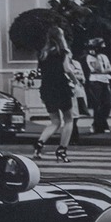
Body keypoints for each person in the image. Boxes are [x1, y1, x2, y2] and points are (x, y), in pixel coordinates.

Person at [33, 26, 75, 162]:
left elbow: (41, 71)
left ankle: (39, 144)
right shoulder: (63, 52)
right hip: (61, 87)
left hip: (46, 88)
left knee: (55, 121)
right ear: (60, 37)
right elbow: (67, 69)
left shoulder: (42, 53)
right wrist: (76, 81)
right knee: (68, 119)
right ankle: (62, 150)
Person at [84, 38, 111, 134]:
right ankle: (99, 125)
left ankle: (100, 122)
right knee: (97, 104)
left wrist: (104, 71)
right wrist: (94, 55)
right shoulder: (90, 57)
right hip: (95, 81)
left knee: (108, 103)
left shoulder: (104, 56)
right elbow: (97, 68)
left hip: (105, 80)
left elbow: (109, 68)